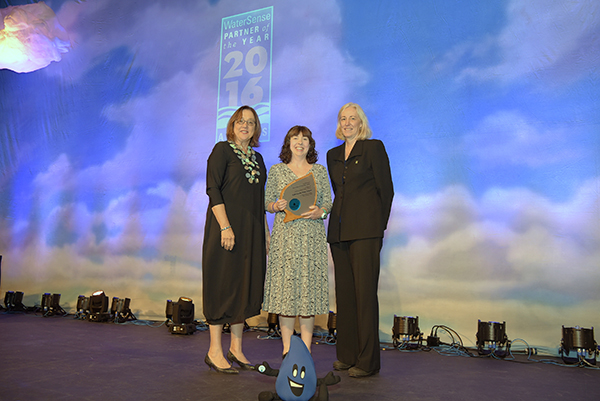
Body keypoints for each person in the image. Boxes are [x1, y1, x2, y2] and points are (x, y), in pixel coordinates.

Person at [326, 102, 394, 378]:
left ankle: (368, 361)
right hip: (339, 234)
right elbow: (338, 193)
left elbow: (386, 191)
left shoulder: (373, 148)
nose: (347, 122)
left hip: (366, 233)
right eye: (343, 118)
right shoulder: (332, 155)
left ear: (361, 122)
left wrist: (378, 229)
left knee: (365, 296)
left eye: (352, 118)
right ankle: (347, 355)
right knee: (345, 296)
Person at [202, 105, 269, 374]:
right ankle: (214, 350)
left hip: (251, 232)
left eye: (251, 123)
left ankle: (236, 349)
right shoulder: (222, 150)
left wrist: (264, 232)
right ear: (232, 125)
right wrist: (225, 227)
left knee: (244, 287)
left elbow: (259, 200)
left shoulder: (259, 159)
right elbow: (213, 190)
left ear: (256, 129)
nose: (245, 126)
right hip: (225, 231)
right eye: (241, 121)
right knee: (222, 286)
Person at [263, 125, 332, 357]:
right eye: (295, 137)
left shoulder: (319, 171)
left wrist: (319, 213)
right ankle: (286, 349)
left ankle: (305, 350)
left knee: (307, 295)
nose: (300, 142)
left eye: (305, 138)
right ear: (288, 143)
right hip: (285, 240)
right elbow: (265, 202)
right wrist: (275, 206)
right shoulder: (276, 171)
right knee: (286, 295)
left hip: (311, 239)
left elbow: (328, 205)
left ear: (310, 144)